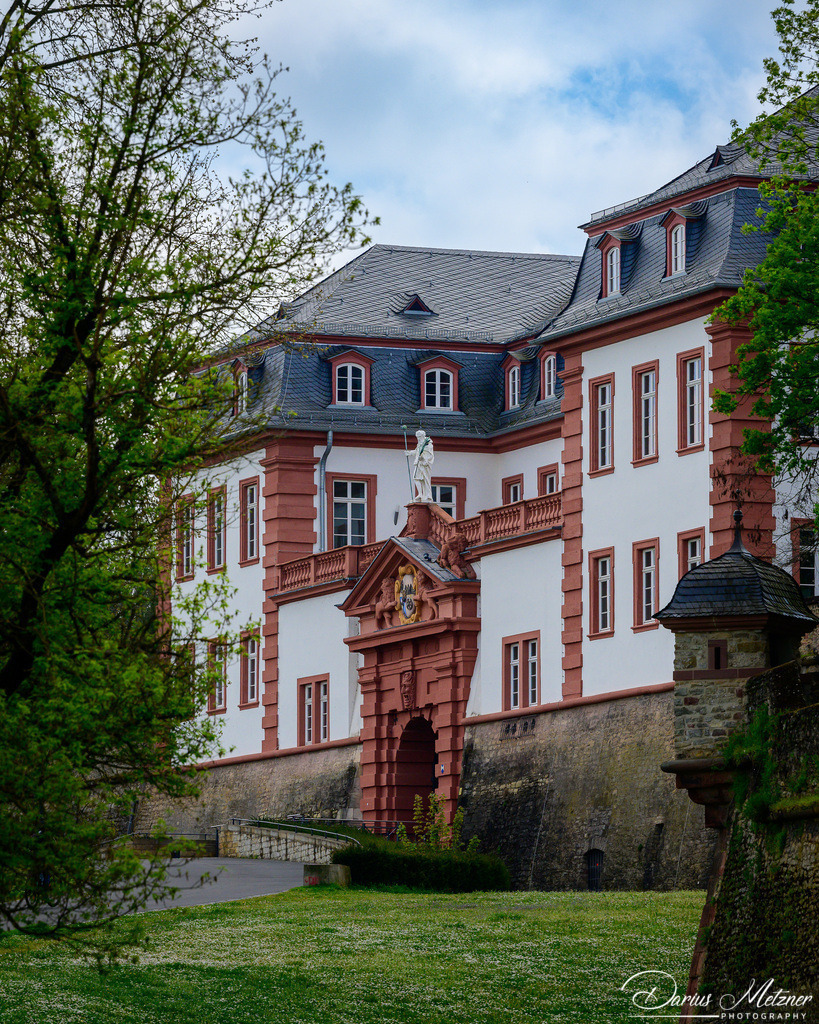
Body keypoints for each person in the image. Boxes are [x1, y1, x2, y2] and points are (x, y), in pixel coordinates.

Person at [407, 429, 434, 502]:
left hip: (425, 465)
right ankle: (420, 494)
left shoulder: (428, 444)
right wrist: (410, 453)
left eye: (419, 437)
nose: (418, 439)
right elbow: (417, 451)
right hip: (418, 463)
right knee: (416, 478)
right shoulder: (420, 444)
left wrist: (423, 458)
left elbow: (430, 455)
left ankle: (428, 496)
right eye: (417, 437)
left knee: (425, 480)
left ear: (423, 436)